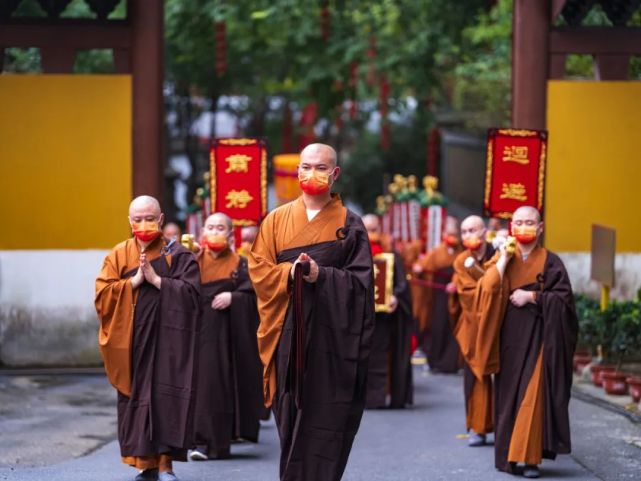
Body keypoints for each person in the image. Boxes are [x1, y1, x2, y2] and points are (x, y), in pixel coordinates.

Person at [248, 143, 374, 481]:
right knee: (290, 416)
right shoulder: (275, 220)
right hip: (286, 333)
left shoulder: (350, 224)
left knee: (327, 417)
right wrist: (287, 273)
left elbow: (362, 285)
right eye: (305, 166)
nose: (311, 174)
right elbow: (259, 270)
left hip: (332, 339)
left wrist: (323, 275)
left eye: (321, 168)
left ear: (335, 174)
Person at [95, 195, 201, 481]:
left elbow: (193, 296)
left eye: (150, 218)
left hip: (169, 342)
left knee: (168, 398)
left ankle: (166, 466)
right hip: (132, 341)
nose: (144, 224)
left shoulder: (178, 255)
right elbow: (102, 296)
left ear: (162, 220)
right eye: (138, 219)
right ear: (130, 222)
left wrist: (157, 281)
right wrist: (132, 283)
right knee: (136, 400)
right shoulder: (118, 254)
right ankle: (145, 465)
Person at [472, 206, 577, 478]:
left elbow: (564, 302)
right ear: (510, 227)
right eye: (518, 222)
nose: (523, 227)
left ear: (540, 228)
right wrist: (503, 261)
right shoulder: (502, 257)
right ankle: (509, 457)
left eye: (529, 222)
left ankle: (530, 459)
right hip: (508, 339)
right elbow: (486, 290)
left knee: (533, 396)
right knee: (508, 397)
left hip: (540, 339)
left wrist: (533, 298)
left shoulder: (551, 262)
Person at [190, 213, 263, 461]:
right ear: (202, 232)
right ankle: (199, 441)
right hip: (196, 334)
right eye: (210, 227)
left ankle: (213, 443)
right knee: (199, 387)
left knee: (217, 386)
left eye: (220, 228)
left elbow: (254, 296)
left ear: (231, 235)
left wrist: (235, 298)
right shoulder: (192, 262)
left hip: (227, 337)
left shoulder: (240, 263)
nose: (214, 232)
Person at [448, 215, 495, 447]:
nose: (468, 235)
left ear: (484, 231)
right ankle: (477, 427)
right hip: (473, 327)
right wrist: (490, 284)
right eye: (464, 231)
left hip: (498, 324)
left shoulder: (499, 255)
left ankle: (504, 426)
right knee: (475, 377)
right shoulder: (461, 261)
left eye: (473, 230)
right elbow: (469, 296)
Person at [362, 214, 413, 409]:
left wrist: (395, 297)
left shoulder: (391, 255)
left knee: (384, 355)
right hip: (361, 318)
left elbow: (402, 284)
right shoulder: (354, 253)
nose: (371, 234)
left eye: (374, 229)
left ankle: (383, 396)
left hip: (386, 319)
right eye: (367, 229)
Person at [414, 216, 462, 372]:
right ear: (443, 234)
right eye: (449, 234)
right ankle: (435, 361)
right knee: (438, 326)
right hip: (438, 296)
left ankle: (453, 363)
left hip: (456, 295)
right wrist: (419, 269)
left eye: (455, 234)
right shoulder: (437, 252)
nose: (452, 238)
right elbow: (422, 266)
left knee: (454, 327)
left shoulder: (462, 252)